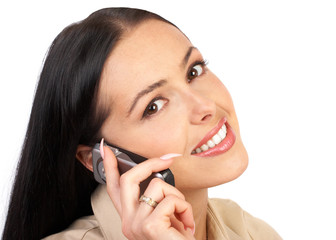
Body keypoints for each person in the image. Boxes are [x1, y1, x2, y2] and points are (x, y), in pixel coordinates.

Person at [2, 7, 282, 240]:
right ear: (98, 159)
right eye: (154, 106)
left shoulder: (252, 232)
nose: (205, 106)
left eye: (193, 71)